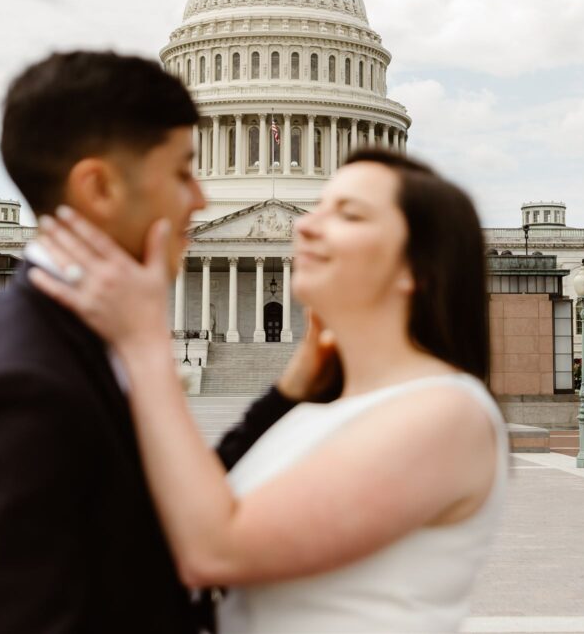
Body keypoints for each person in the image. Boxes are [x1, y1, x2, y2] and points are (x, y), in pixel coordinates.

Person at [0, 51, 328, 633]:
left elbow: (153, 517)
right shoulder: (14, 387)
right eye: (183, 171)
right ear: (99, 187)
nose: (202, 200)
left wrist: (286, 392)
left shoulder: (74, 336)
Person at [32, 149, 509, 632]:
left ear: (416, 270)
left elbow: (209, 551)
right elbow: (206, 504)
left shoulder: (445, 414)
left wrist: (143, 345)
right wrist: (284, 396)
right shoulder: (332, 405)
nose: (301, 225)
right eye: (319, 206)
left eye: (348, 213)